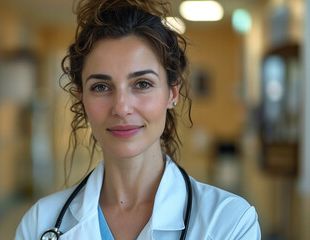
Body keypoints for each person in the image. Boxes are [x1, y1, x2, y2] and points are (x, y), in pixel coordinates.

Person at [15, 0, 261, 239]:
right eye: (101, 87)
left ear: (172, 93)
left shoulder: (230, 223)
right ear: (81, 98)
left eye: (142, 84)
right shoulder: (40, 223)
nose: (121, 108)